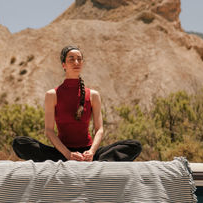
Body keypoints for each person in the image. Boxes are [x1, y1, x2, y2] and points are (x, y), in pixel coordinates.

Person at [12, 45, 142, 162]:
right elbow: (49, 131)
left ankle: (93, 160)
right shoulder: (52, 95)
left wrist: (91, 152)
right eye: (71, 59)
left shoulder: (93, 95)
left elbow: (99, 129)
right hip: (62, 153)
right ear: (63, 65)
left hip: (88, 153)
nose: (76, 62)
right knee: (20, 143)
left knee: (134, 146)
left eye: (79, 59)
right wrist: (68, 154)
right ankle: (93, 162)